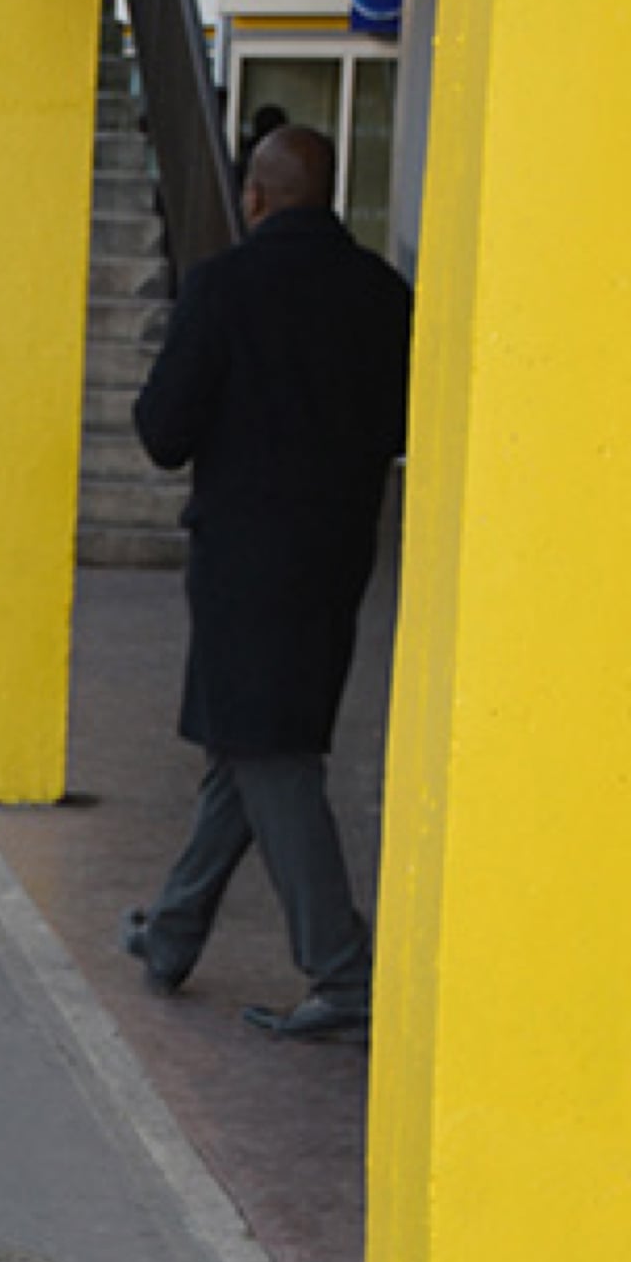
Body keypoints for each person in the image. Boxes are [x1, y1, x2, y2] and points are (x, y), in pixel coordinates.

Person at [121, 124, 413, 1043]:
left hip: (243, 563)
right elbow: (403, 420)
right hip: (335, 558)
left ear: (254, 196)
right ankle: (171, 932)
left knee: (272, 758)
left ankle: (340, 968)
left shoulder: (222, 289)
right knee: (245, 747)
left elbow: (163, 432)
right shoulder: (381, 294)